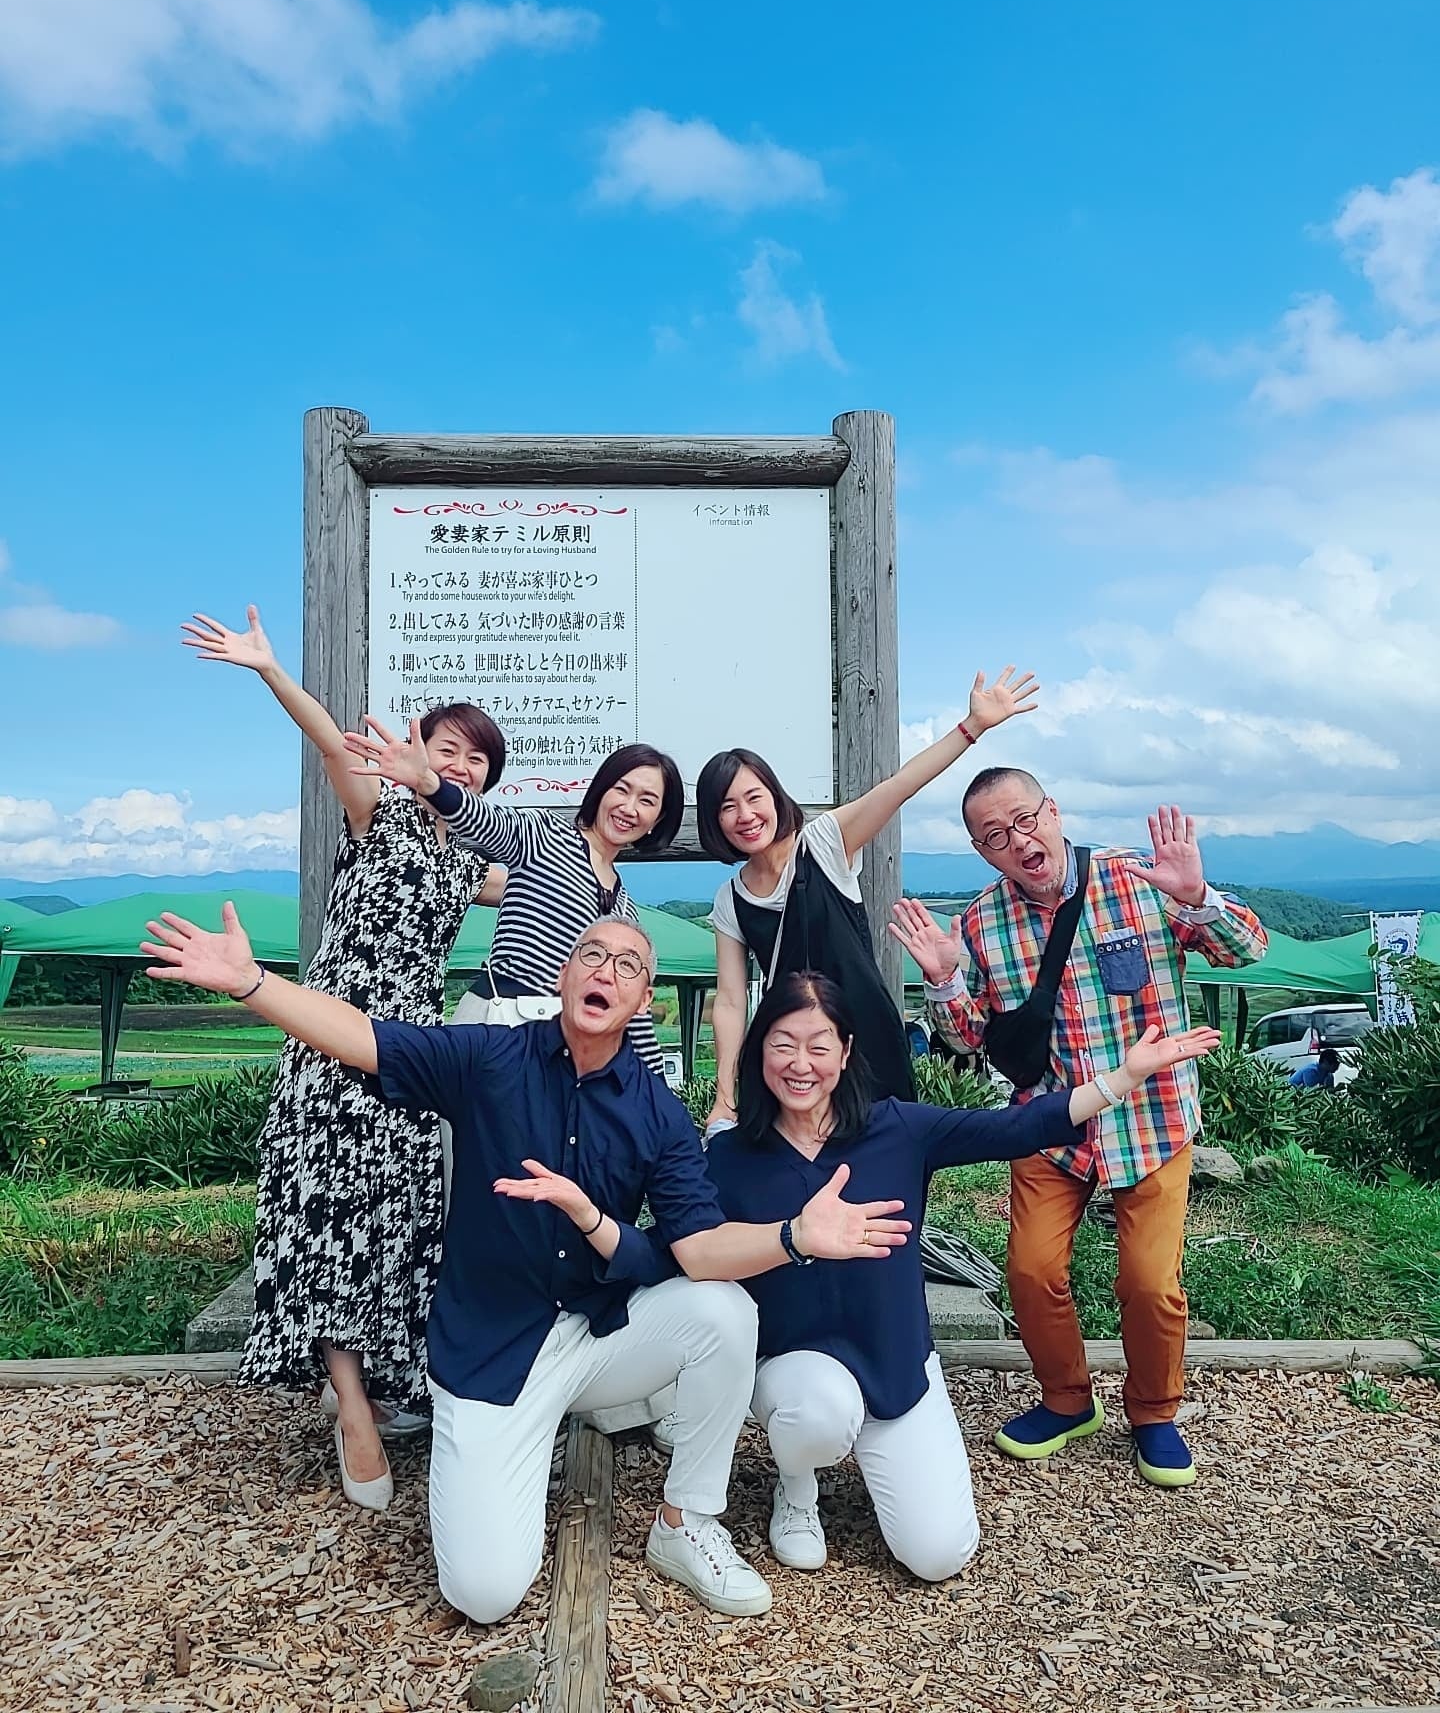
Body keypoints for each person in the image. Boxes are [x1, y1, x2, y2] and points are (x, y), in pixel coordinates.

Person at [141, 906, 913, 1624]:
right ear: (564, 976)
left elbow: (696, 1251)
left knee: (725, 1311)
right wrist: (251, 981)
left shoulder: (656, 1112)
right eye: (592, 955)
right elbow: (364, 1037)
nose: (606, 971)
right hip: (493, 1348)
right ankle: (509, 1447)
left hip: (595, 1337)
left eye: (629, 966)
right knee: (483, 1594)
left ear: (643, 1001)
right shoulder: (490, 1056)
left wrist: (791, 1235)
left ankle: (686, 1522)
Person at [707, 970, 1219, 1579]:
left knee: (938, 1554)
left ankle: (884, 1443)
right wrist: (792, 1236)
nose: (800, 1064)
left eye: (819, 1046)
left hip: (895, 1360)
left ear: (845, 1053)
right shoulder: (730, 1157)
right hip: (797, 1367)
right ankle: (797, 1486)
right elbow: (691, 1252)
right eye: (783, 1044)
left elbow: (1015, 1129)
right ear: (759, 1050)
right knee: (817, 1413)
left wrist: (1121, 1080)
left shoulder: (896, 1129)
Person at [181, 606, 507, 1508]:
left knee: (399, 1220)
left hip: (412, 1054)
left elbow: (547, 872)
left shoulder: (468, 861)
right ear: (415, 748)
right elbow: (330, 740)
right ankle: (353, 1411)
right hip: (330, 1039)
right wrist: (268, 669)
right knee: (326, 1215)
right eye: (448, 747)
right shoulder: (377, 815)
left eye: (478, 760)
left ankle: (373, 1380)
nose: (461, 765)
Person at [888, 776, 1268, 1489]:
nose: (1018, 841)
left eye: (1025, 819)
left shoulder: (1137, 878)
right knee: (1031, 1271)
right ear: (980, 850)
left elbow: (1245, 950)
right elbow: (971, 1039)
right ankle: (1066, 1400)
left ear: (1053, 812)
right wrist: (944, 982)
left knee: (1149, 1281)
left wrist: (1196, 896)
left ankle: (1154, 1412)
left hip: (1153, 1116)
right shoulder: (982, 922)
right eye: (994, 836)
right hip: (1052, 1123)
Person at [697, 667, 1039, 1132]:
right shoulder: (730, 900)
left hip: (869, 1046)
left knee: (885, 1160)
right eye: (727, 807)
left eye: (754, 797)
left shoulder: (823, 844)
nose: (745, 815)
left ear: (775, 796)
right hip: (794, 1060)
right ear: (714, 821)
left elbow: (898, 786)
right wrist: (724, 1093)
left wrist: (972, 727)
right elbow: (730, 1000)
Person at [344, 717, 682, 1075]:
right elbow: (485, 820)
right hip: (501, 1026)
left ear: (658, 818)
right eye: (621, 790)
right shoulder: (546, 836)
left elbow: (632, 1011)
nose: (629, 808)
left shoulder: (625, 910)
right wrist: (429, 782)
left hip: (560, 1052)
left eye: (647, 800)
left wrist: (657, 1091)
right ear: (600, 790)